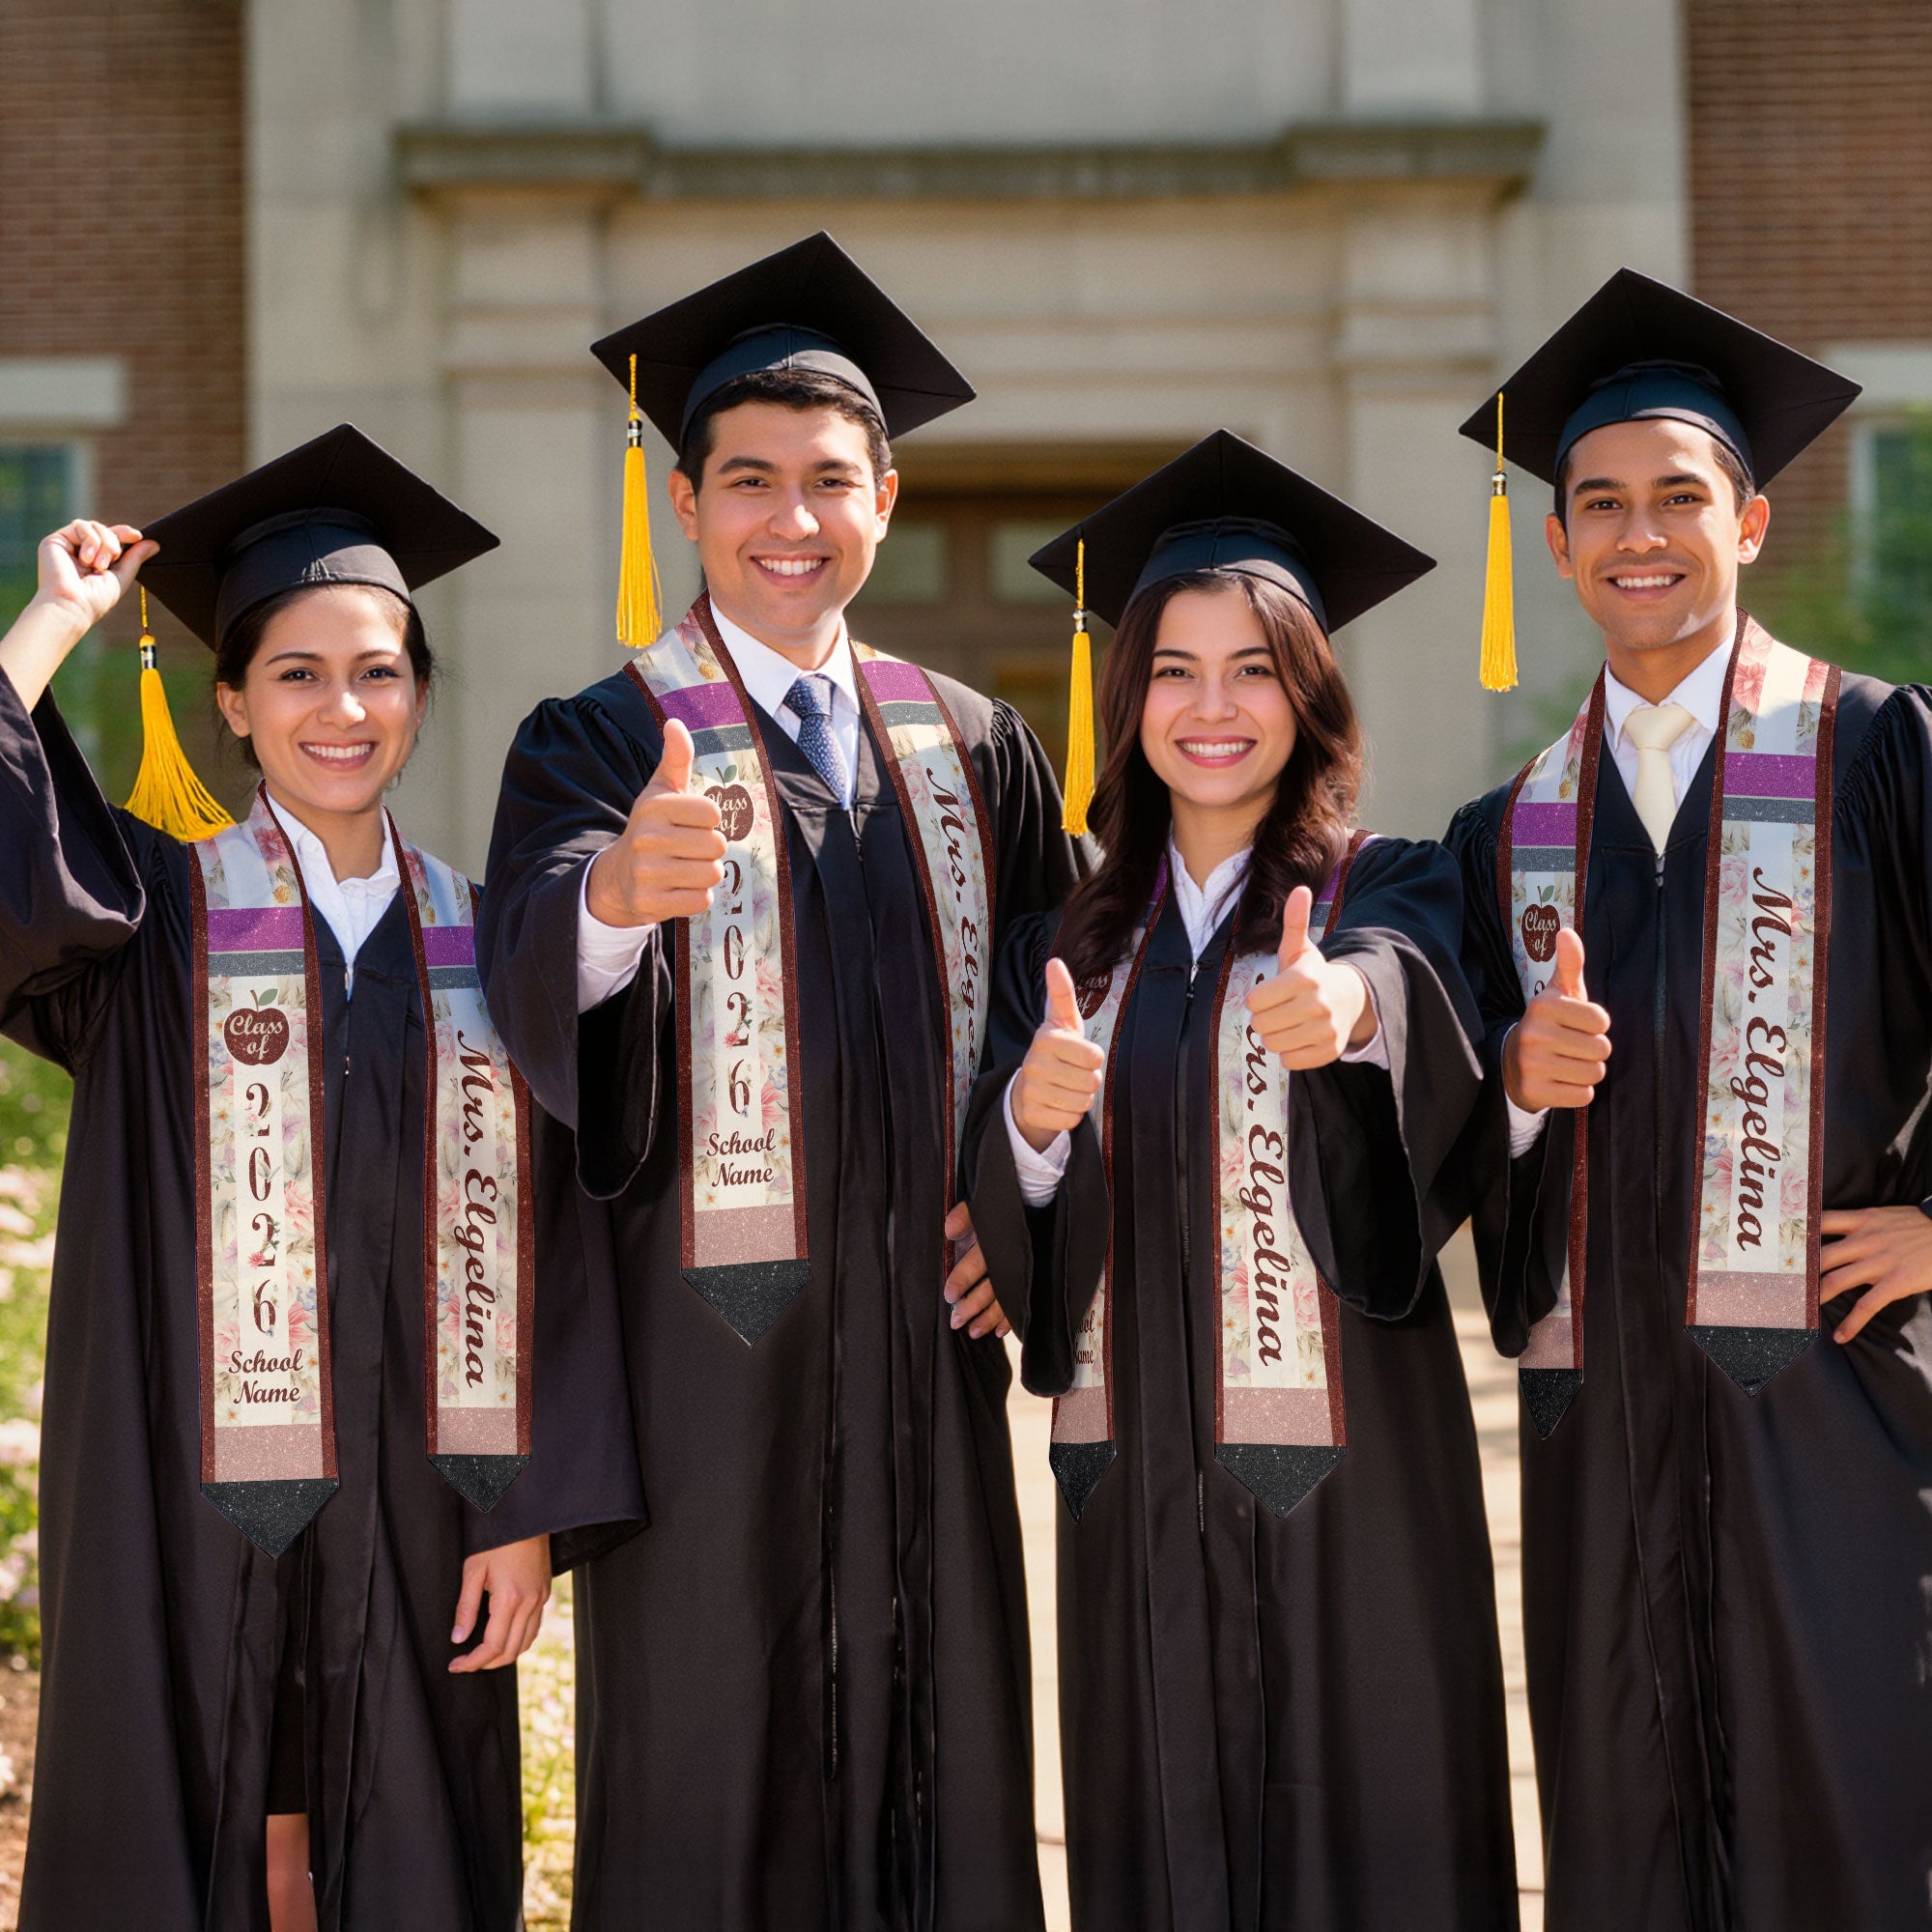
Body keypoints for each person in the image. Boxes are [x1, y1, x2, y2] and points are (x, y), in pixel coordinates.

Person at [476, 233, 1084, 1931]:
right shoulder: (598, 738)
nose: (790, 518)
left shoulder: (974, 745)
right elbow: (526, 973)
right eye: (748, 481)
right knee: (710, 1782)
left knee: (941, 1764)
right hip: (705, 1377)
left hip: (924, 1368)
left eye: (829, 480)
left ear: (886, 497)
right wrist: (612, 899)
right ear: (686, 503)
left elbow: (1068, 1005)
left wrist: (1023, 1203)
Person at [0, 425, 642, 1932]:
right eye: (296, 673)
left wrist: (527, 1508)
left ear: (419, 694)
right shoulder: (151, 920)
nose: (341, 709)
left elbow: (567, 1241)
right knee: (192, 1813)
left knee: (406, 1837)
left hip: (426, 1497)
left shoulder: (494, 939)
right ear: (231, 701)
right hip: (182, 1486)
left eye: (378, 672)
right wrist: (52, 622)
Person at [964, 432, 1518, 1931]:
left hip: (1354, 1480)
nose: (1212, 708)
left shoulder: (1385, 883)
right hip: (1135, 1479)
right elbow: (1009, 1202)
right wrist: (1028, 1122)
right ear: (1127, 698)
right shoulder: (1067, 946)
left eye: (1254, 670)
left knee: (1374, 1840)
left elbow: (1409, 988)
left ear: (1310, 692)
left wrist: (1350, 1011)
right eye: (1174, 671)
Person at [1446, 270, 1932, 1931]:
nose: (1637, 534)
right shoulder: (1509, 831)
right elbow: (1449, 1137)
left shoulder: (1879, 753)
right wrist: (1514, 1091)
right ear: (1558, 542)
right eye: (1599, 504)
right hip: (1604, 1431)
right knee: (1627, 1828)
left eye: (1677, 497)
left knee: (1855, 1816)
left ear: (1753, 521)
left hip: (1837, 1404)